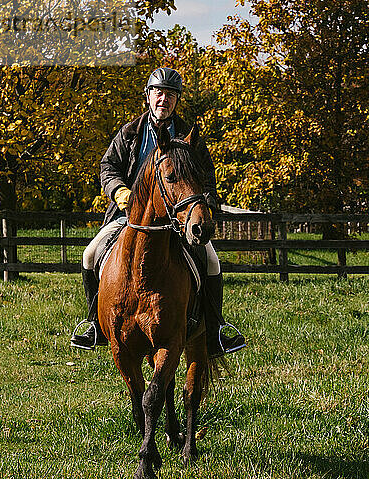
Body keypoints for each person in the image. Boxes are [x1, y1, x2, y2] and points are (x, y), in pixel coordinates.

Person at [70, 67, 245, 357]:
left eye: (171, 95)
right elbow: (108, 167)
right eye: (159, 93)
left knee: (212, 261)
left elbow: (207, 178)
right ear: (148, 96)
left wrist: (203, 205)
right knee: (90, 254)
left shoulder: (190, 137)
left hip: (178, 219)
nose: (164, 99)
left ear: (177, 100)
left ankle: (216, 331)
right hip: (128, 217)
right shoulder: (129, 133)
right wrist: (119, 191)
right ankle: (95, 325)